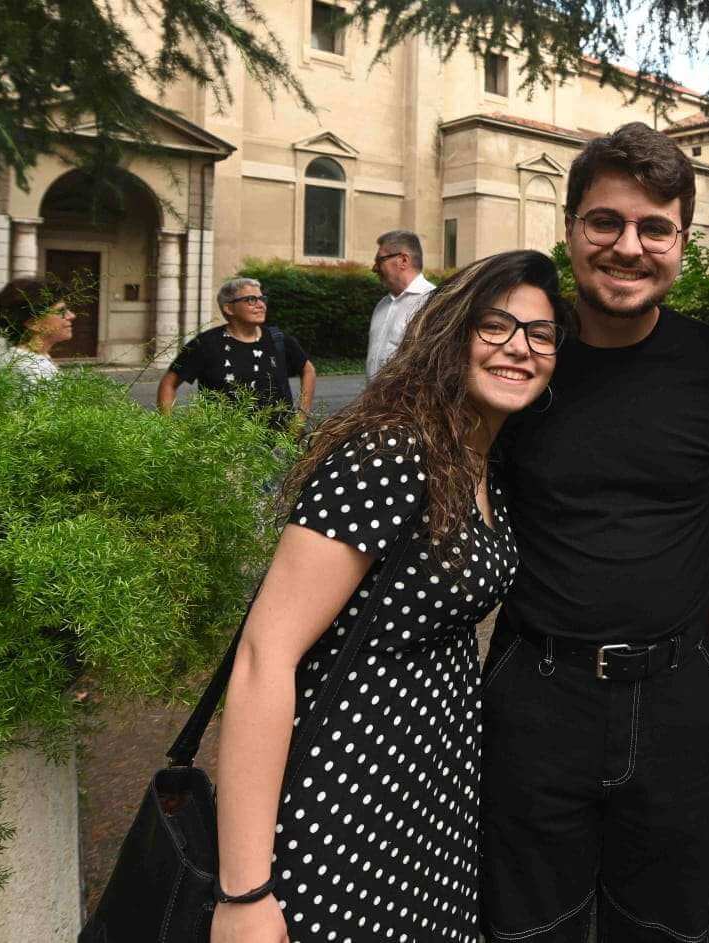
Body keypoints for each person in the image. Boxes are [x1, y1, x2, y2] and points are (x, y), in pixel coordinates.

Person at [208, 250, 567, 943]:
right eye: (495, 326)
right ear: (451, 334)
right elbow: (263, 655)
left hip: (429, 798)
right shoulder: (392, 452)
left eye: (540, 333)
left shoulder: (479, 459)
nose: (519, 347)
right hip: (342, 800)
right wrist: (244, 889)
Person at [482, 122, 709, 943]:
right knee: (530, 923)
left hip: (680, 690)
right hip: (537, 691)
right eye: (605, 221)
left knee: (672, 922)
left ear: (681, 241)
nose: (628, 247)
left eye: (654, 228)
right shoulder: (520, 362)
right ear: (570, 227)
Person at [157, 277, 315, 428]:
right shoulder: (205, 344)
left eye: (262, 299)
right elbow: (168, 384)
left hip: (280, 441)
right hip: (224, 442)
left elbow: (308, 370)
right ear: (229, 308)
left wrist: (301, 417)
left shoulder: (278, 339)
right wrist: (169, 428)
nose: (261, 305)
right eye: (251, 300)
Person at [366, 230, 436, 377]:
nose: (374, 268)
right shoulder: (382, 305)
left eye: (380, 260)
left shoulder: (433, 303)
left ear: (403, 260)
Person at [0, 276, 77, 380]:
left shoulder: (29, 360)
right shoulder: (31, 368)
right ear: (33, 323)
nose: (71, 316)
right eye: (60, 311)